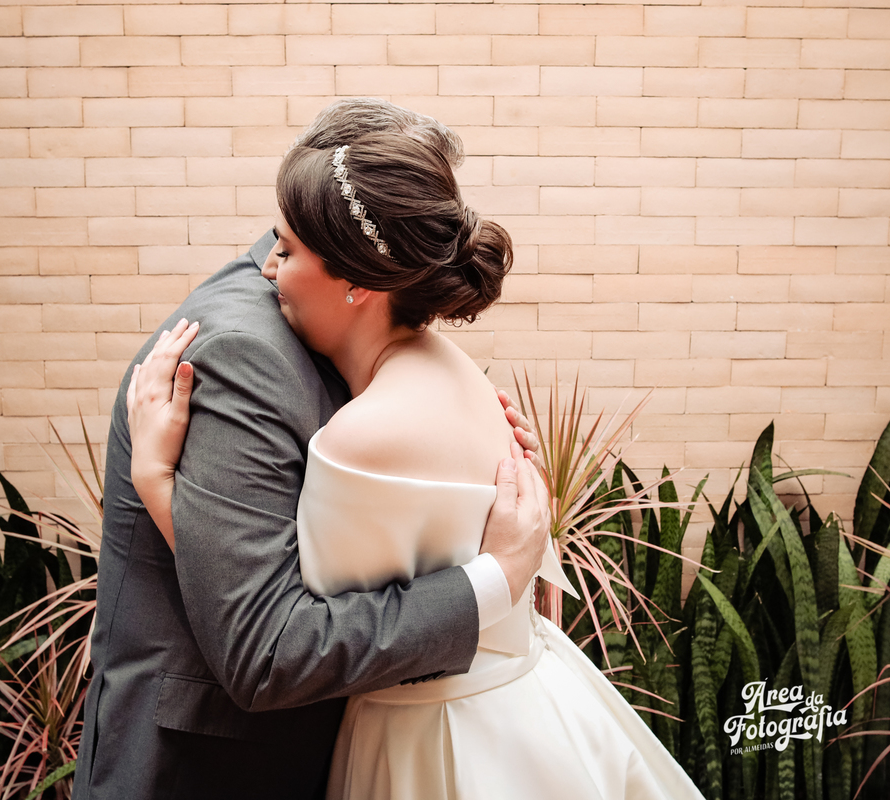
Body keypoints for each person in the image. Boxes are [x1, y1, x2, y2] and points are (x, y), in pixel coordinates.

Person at [128, 128, 708, 799]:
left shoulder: (363, 434)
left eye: (286, 250)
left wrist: (157, 479)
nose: (267, 270)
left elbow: (288, 638)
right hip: (529, 706)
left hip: (448, 747)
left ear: (353, 282)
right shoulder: (454, 371)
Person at [72, 99, 556, 800]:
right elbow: (268, 643)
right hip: (209, 773)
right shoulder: (246, 353)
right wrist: (495, 578)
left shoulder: (391, 354)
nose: (271, 267)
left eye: (289, 245)